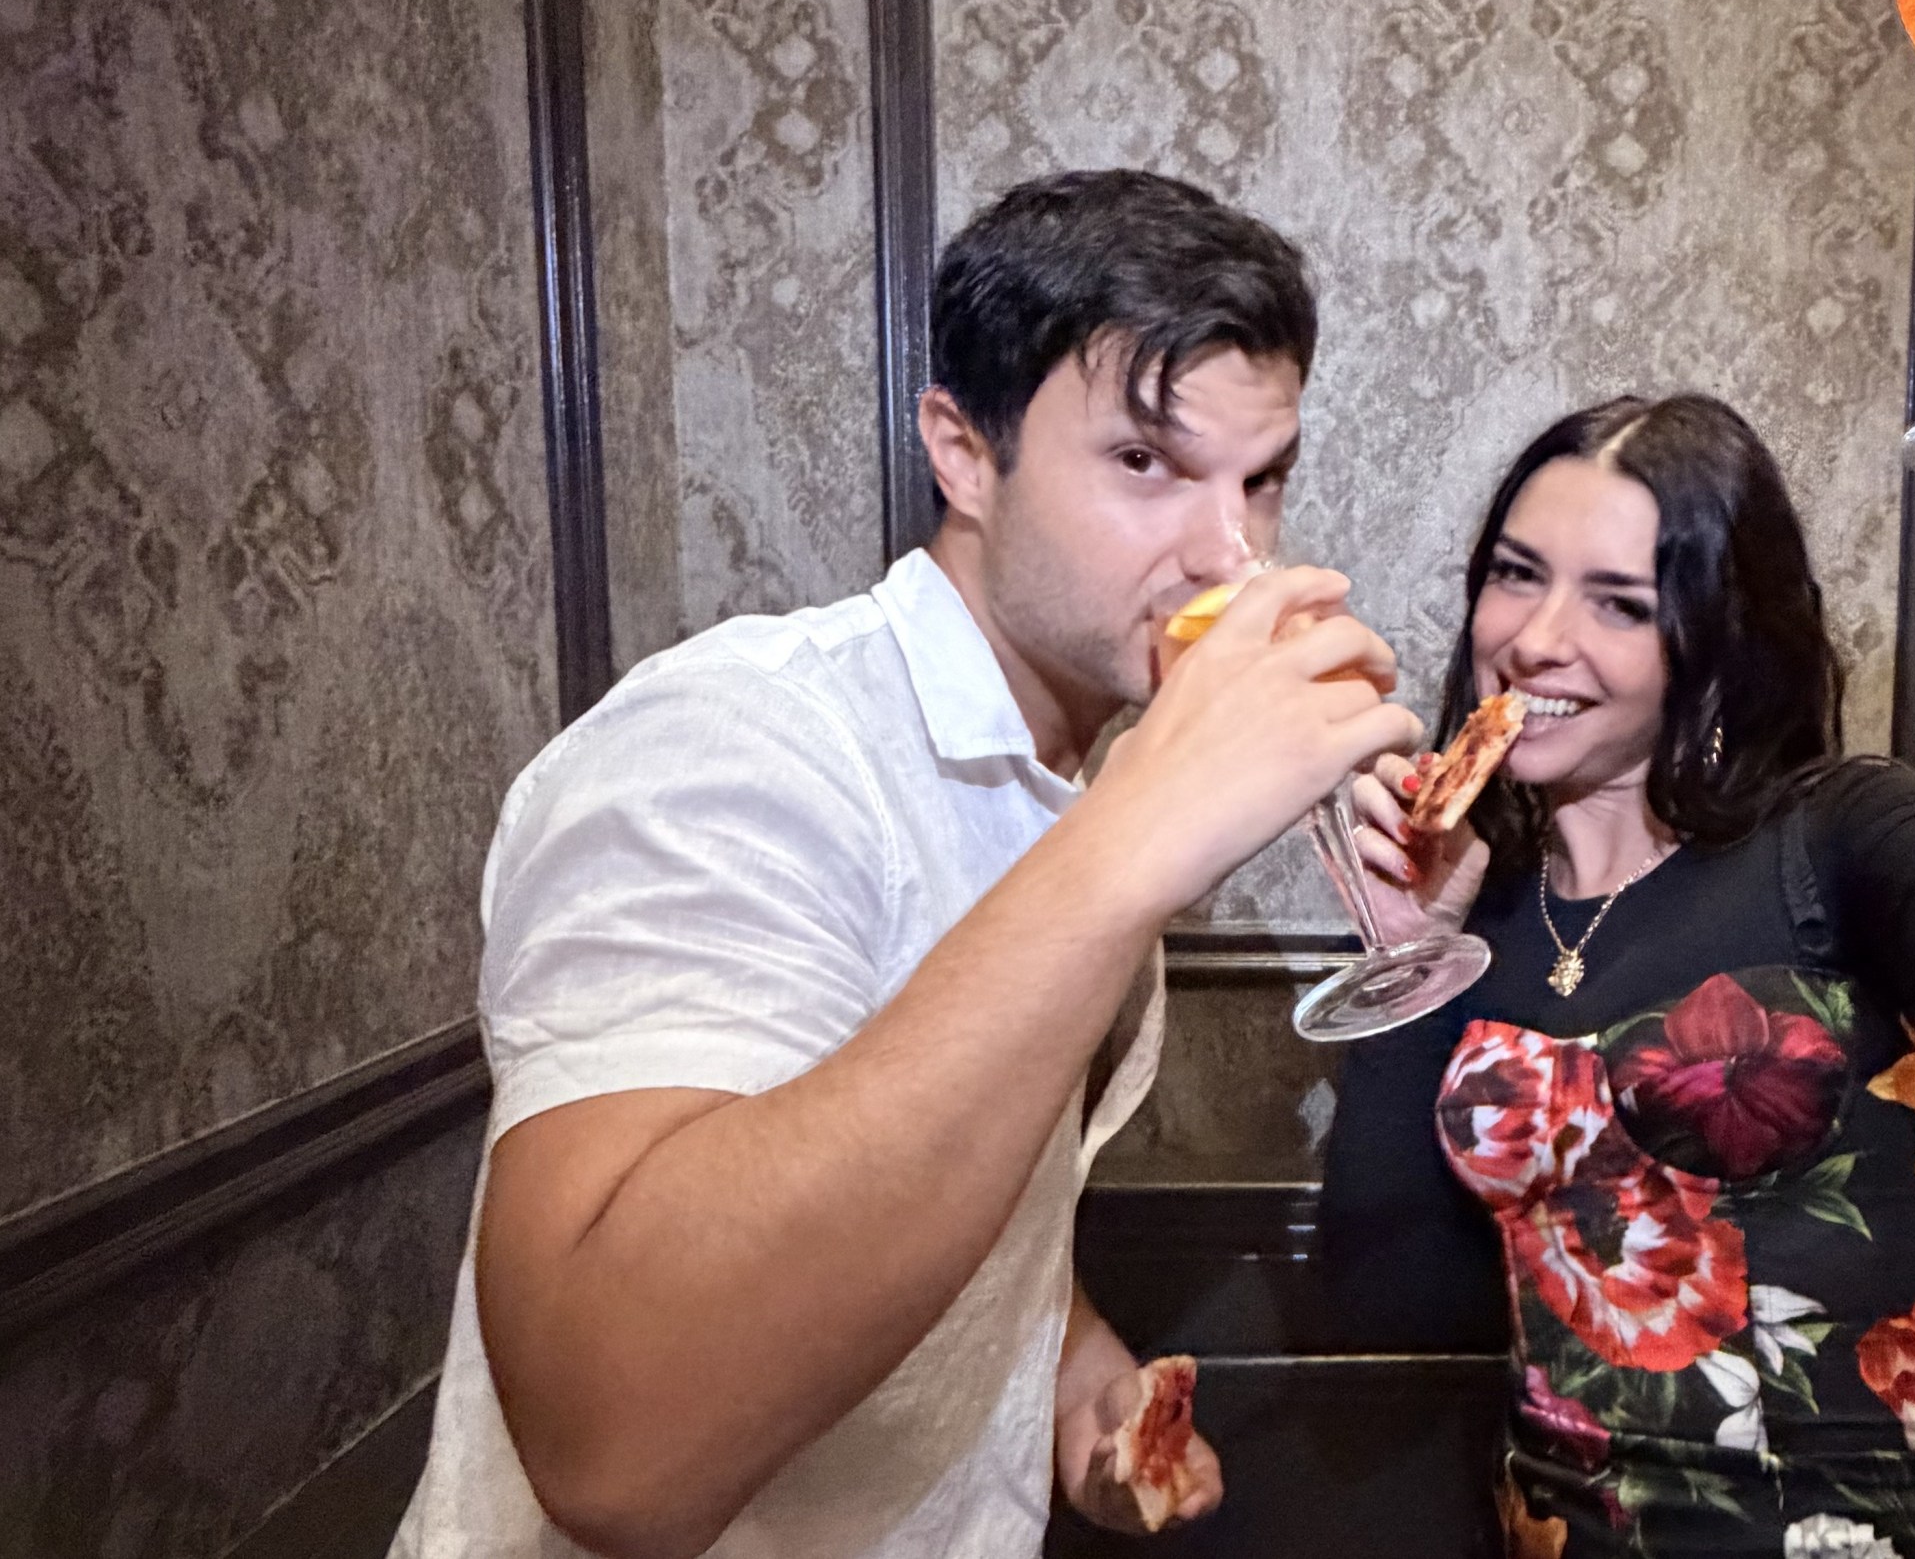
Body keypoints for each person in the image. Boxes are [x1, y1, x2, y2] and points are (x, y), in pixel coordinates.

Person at [390, 171, 1421, 1559]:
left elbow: (939, 1179)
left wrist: (1076, 1384)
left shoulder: (1088, 783)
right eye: (1144, 465)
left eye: (1262, 480)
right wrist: (1134, 841)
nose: (1225, 555)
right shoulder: (742, 738)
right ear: (964, 453)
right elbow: (615, 1447)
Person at [1319, 74, 1915, 1558]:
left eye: (1620, 603)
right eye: (1516, 574)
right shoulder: (1485, 907)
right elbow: (1389, 1307)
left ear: (1719, 637)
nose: (1536, 639)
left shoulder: (1834, 839)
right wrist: (1401, 960)